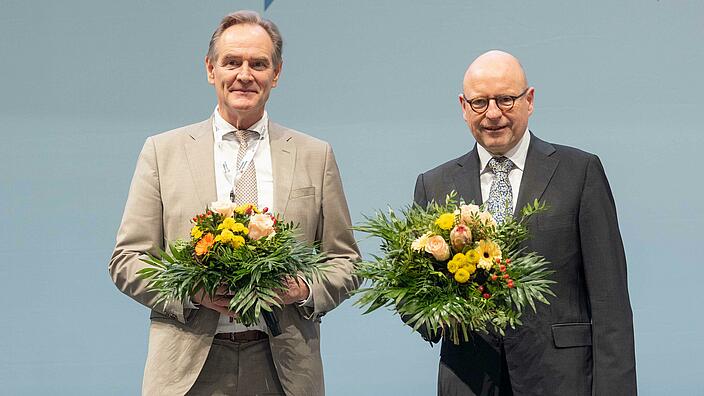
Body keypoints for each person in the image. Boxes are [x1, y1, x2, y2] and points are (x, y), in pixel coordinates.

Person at [109, 11, 359, 396]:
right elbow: (127, 260)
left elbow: (346, 261)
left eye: (259, 64)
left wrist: (303, 289)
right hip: (187, 368)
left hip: (284, 368)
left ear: (276, 74)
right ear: (211, 69)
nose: (245, 74)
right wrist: (193, 293)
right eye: (232, 62)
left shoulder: (315, 155)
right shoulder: (163, 152)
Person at [413, 50, 636, 395]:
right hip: (469, 379)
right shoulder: (435, 184)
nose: (493, 114)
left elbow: (611, 304)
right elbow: (414, 297)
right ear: (463, 106)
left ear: (529, 100)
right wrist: (437, 314)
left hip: (561, 379)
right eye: (479, 102)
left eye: (505, 99)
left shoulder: (579, 172)